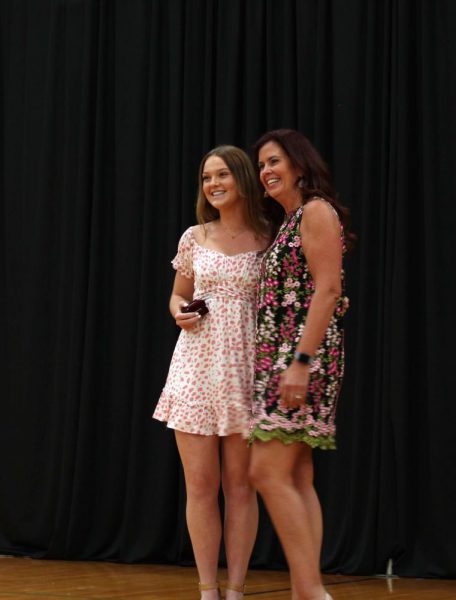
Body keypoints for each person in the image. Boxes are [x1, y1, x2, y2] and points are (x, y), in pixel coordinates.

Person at [154, 145, 274, 600]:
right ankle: (208, 589)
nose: (214, 184)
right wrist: (180, 312)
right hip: (196, 367)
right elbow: (176, 295)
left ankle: (238, 589)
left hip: (244, 369)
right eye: (207, 178)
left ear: (242, 179)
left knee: (241, 488)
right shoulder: (194, 237)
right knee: (201, 487)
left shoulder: (268, 237)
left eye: (222, 175)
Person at [248, 129, 354, 600]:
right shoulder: (288, 221)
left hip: (302, 357)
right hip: (283, 357)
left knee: (266, 472)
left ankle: (312, 593)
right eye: (262, 166)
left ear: (298, 165)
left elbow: (328, 289)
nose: (266, 172)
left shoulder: (315, 211)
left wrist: (301, 362)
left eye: (274, 162)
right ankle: (303, 591)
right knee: (296, 474)